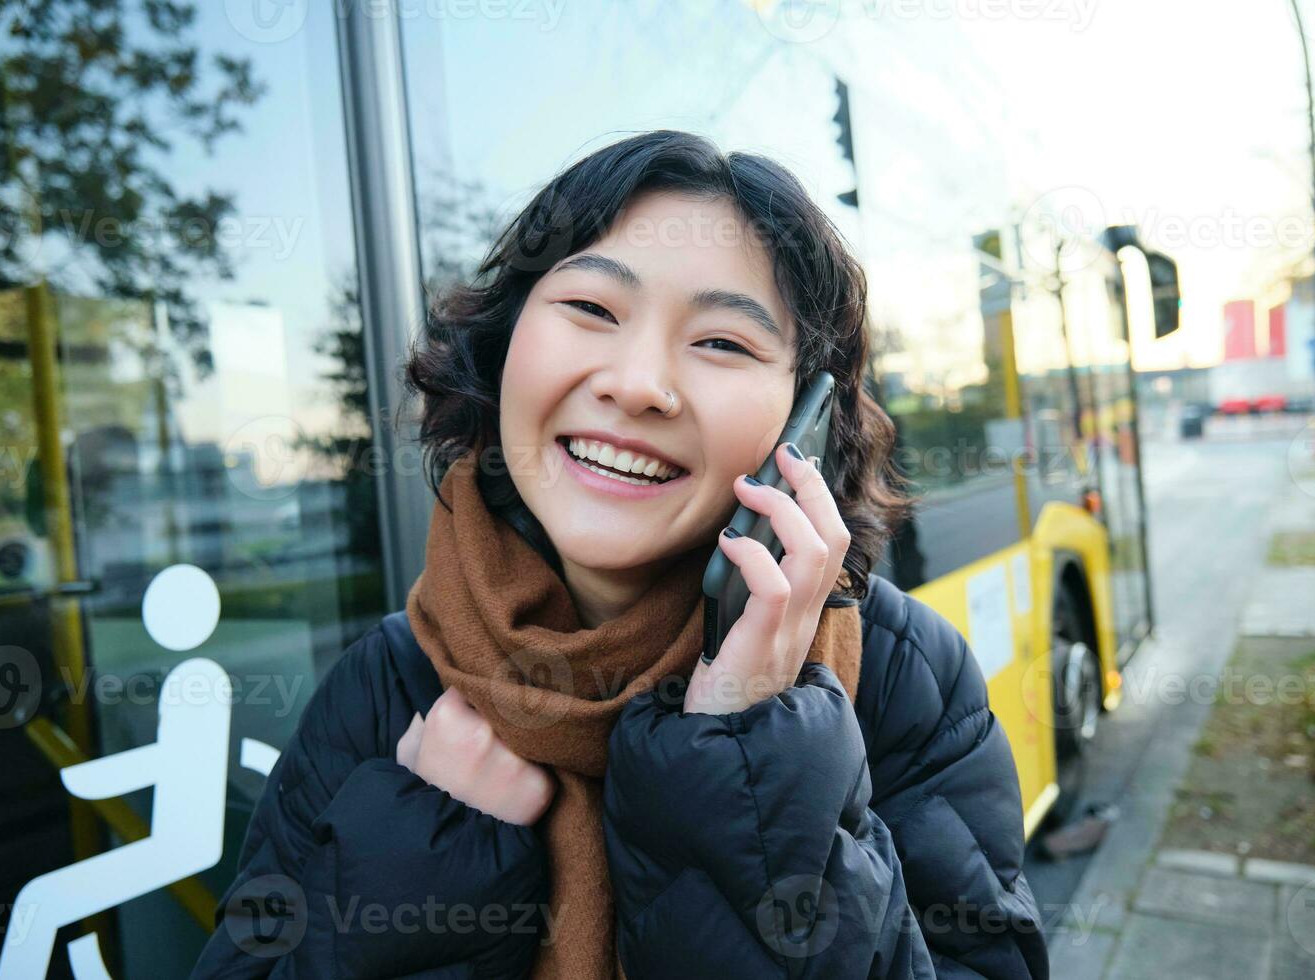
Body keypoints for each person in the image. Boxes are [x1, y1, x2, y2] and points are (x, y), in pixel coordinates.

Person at [190, 130, 1049, 979]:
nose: (637, 383)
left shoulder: (902, 677)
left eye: (722, 342)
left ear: (807, 422)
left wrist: (753, 753)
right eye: (592, 309)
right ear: (503, 348)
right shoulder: (386, 686)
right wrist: (425, 865)